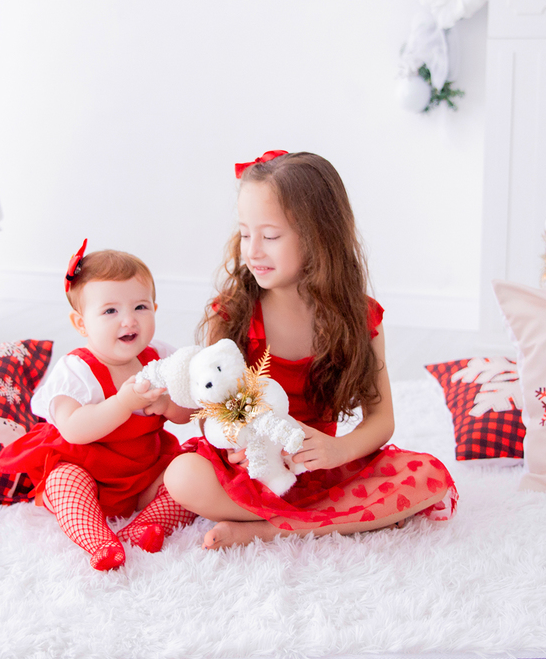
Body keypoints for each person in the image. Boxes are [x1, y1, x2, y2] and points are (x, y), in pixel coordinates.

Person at [164, 151, 457, 549]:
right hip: (257, 467)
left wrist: (339, 450)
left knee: (430, 476)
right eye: (245, 233)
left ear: (320, 236)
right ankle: (338, 520)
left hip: (323, 467)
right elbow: (209, 404)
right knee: (181, 475)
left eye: (269, 236)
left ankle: (267, 529)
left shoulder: (360, 317)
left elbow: (381, 420)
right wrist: (237, 447)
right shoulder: (233, 312)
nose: (252, 251)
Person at [0, 242, 196, 570]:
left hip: (142, 473)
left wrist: (167, 404)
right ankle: (99, 540)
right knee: (64, 481)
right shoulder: (76, 370)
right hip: (89, 473)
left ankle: (145, 526)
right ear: (81, 324)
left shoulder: (160, 357)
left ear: (155, 309)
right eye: (110, 311)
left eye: (141, 307)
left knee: (191, 474)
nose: (129, 320)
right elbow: (74, 429)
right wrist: (123, 403)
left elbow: (190, 412)